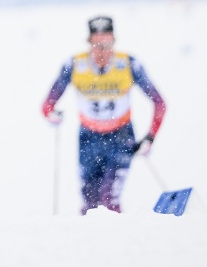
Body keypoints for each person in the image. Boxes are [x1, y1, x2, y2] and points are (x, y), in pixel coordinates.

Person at [41, 16, 166, 214]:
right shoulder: (74, 65)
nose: (102, 51)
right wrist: (52, 114)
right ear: (89, 43)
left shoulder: (129, 64)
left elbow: (159, 103)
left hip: (121, 137)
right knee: (89, 204)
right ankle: (89, 243)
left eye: (107, 44)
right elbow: (47, 105)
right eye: (97, 45)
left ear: (114, 41)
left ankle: (117, 242)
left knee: (109, 200)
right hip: (88, 138)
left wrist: (150, 137)